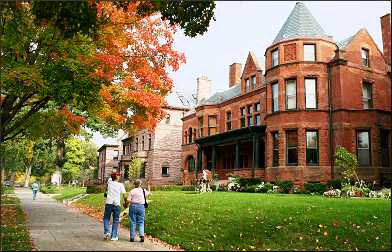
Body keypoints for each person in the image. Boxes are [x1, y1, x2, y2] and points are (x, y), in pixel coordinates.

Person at [103, 173, 127, 241]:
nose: (119, 176)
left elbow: (106, 190)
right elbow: (124, 195)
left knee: (106, 218)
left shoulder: (109, 183)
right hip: (117, 204)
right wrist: (125, 203)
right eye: (118, 175)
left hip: (109, 203)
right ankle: (113, 236)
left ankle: (107, 232)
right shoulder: (120, 185)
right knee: (116, 220)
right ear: (116, 177)